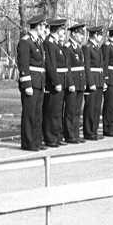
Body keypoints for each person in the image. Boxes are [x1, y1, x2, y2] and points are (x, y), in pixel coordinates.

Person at [17, 14, 48, 151]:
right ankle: (28, 142)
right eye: (43, 26)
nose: (44, 29)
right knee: (29, 114)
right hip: (31, 83)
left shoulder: (38, 42)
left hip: (39, 82)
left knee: (37, 114)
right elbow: (23, 65)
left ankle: (36, 141)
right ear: (38, 26)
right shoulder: (25, 41)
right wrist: (27, 84)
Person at [42, 18, 68, 147]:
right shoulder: (49, 43)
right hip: (53, 84)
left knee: (58, 111)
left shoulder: (56, 43)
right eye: (63, 29)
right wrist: (56, 82)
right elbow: (50, 65)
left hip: (61, 82)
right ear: (57, 30)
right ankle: (50, 137)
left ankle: (57, 136)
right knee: (52, 111)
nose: (64, 32)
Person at [63, 23, 86, 144]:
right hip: (72, 83)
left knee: (77, 110)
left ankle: (75, 133)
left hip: (80, 82)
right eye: (80, 34)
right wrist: (70, 83)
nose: (82, 37)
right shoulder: (68, 47)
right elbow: (67, 67)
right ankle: (69, 134)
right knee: (70, 110)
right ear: (73, 34)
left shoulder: (78, 47)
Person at [83, 25, 105, 141]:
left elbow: (100, 66)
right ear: (95, 35)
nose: (101, 37)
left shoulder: (97, 47)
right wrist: (90, 82)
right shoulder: (87, 47)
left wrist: (103, 81)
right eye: (100, 34)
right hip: (92, 80)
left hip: (99, 80)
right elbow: (87, 66)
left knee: (97, 108)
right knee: (90, 107)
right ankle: (88, 131)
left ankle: (94, 130)